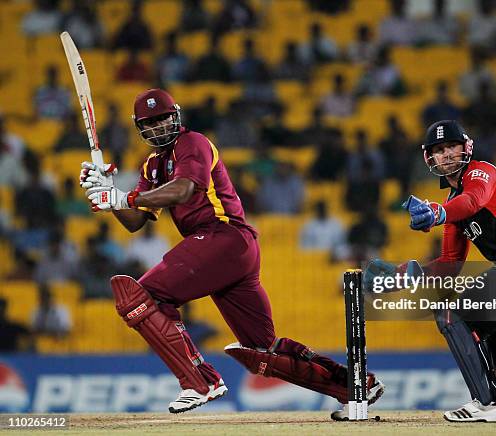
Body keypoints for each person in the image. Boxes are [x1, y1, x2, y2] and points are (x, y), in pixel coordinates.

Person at [78, 88, 384, 417]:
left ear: (176, 116)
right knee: (261, 350)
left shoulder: (192, 142)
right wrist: (105, 191)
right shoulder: (153, 165)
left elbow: (183, 190)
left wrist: (124, 198)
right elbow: (135, 222)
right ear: (140, 128)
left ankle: (199, 382)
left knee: (140, 298)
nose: (158, 128)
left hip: (222, 237)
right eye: (150, 124)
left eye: (163, 119)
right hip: (229, 250)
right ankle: (355, 386)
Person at [368, 120, 496, 423]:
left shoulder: (482, 171)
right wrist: (403, 275)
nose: (447, 154)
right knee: (492, 345)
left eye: (451, 146)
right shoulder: (452, 207)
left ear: (465, 147)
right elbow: (449, 266)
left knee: (451, 314)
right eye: (439, 150)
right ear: (430, 159)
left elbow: (473, 199)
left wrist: (438, 213)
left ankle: (488, 404)